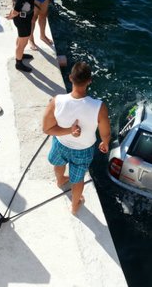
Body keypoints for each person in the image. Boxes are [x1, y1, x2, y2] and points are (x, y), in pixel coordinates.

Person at [42, 62, 111, 214]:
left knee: (59, 163)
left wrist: (68, 131)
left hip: (60, 144)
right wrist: (105, 142)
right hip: (83, 150)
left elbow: (46, 129)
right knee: (77, 180)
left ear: (70, 78)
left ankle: (60, 181)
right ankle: (74, 206)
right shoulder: (99, 107)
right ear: (89, 81)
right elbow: (105, 132)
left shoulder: (57, 100)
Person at [6, 0, 35, 72]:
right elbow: (16, 10)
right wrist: (11, 16)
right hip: (22, 20)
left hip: (24, 18)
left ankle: (20, 54)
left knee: (21, 38)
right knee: (23, 42)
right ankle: (19, 63)